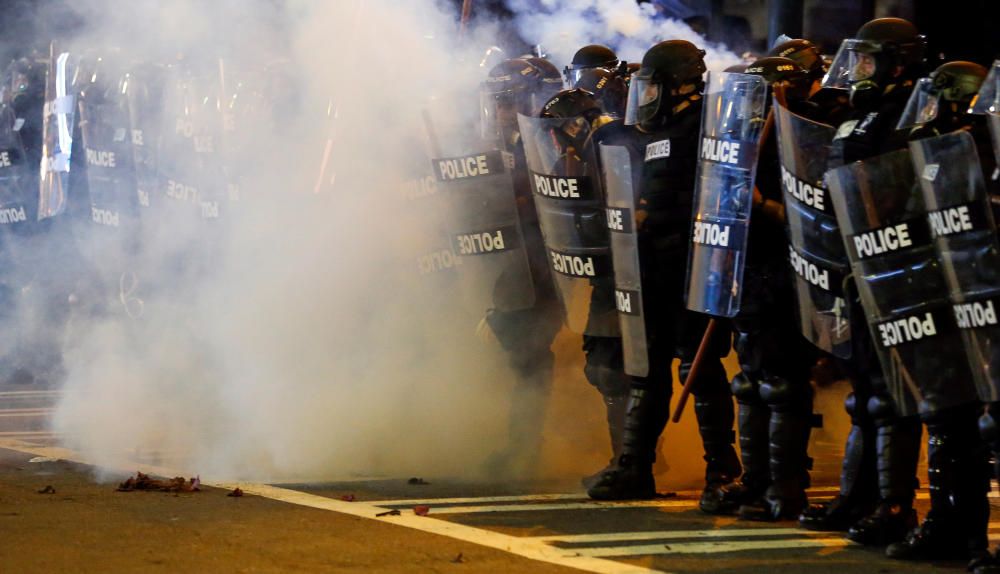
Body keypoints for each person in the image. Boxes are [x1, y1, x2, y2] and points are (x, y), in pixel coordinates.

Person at [586, 40, 738, 504]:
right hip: (653, 264)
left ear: (681, 85)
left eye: (653, 85)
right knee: (645, 367)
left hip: (692, 266)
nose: (645, 95)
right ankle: (635, 466)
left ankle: (722, 470)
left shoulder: (707, 126)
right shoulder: (657, 131)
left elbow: (720, 197)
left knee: (700, 367)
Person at [799, 17, 928, 547]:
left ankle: (894, 504)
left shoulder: (912, 111)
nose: (858, 72)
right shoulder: (860, 113)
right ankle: (859, 494)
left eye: (868, 61)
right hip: (853, 260)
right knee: (864, 391)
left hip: (896, 262)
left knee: (891, 393)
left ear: (896, 63)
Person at [702, 57, 819, 521]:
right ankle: (756, 479)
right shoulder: (742, 140)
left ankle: (785, 488)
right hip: (745, 274)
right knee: (748, 383)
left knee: (781, 386)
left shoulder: (802, 137)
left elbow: (818, 213)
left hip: (783, 277)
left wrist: (762, 205)